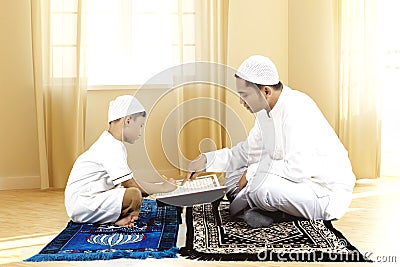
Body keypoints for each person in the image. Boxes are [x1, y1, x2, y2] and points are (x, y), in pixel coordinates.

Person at [184, 55, 356, 228]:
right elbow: (248, 153)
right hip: (290, 181)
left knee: (261, 188)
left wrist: (252, 173)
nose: (241, 102)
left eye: (245, 95)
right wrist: (207, 160)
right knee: (233, 175)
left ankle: (269, 212)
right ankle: (263, 210)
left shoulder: (297, 108)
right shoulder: (264, 111)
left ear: (266, 91)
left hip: (322, 191)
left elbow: (296, 169)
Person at [65, 95, 177, 227]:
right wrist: (162, 188)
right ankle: (117, 218)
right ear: (128, 120)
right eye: (140, 125)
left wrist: (158, 186)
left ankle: (118, 219)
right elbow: (130, 183)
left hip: (88, 200)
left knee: (132, 192)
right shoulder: (110, 147)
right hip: (83, 204)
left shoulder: (113, 144)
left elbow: (130, 179)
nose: (140, 132)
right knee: (134, 194)